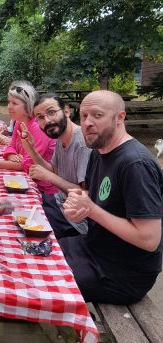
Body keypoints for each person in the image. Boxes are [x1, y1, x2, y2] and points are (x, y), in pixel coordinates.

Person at [61, 90, 163, 304]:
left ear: (120, 118)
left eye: (97, 115)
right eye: (84, 115)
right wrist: (79, 205)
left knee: (40, 282)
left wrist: (91, 210)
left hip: (122, 274)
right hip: (93, 248)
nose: (87, 123)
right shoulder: (99, 151)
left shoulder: (135, 165)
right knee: (34, 250)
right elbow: (92, 195)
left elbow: (149, 239)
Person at [20, 95, 92, 239]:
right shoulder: (61, 137)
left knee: (26, 234)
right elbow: (53, 170)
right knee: (19, 208)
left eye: (51, 112)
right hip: (58, 202)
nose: (46, 120)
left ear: (66, 111)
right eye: (40, 117)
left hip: (74, 221)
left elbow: (84, 193)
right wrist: (31, 150)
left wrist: (48, 177)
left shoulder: (82, 143)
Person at [0, 81, 57, 195]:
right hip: (24, 182)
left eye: (14, 103)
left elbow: (27, 165)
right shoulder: (20, 121)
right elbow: (11, 145)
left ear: (28, 105)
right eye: (9, 102)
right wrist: (12, 155)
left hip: (44, 190)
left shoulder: (39, 127)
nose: (9, 107)